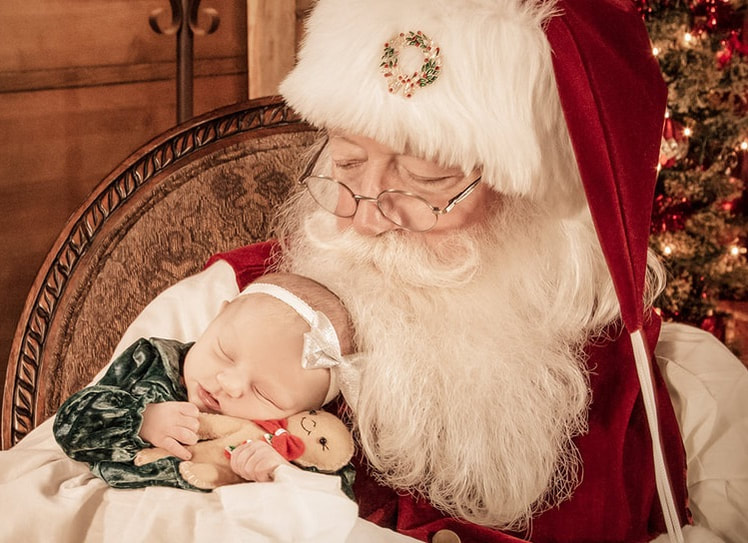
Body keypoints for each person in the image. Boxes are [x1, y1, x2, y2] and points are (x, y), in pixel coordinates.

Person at [1, 0, 746, 542]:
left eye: (425, 179)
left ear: (533, 201)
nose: (365, 212)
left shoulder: (667, 378)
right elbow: (35, 496)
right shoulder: (225, 309)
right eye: (348, 162)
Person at [53, 272, 355, 490]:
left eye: (265, 394)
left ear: (304, 411)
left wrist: (281, 472)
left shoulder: (292, 438)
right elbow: (70, 425)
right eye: (224, 353)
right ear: (215, 320)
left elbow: (332, 502)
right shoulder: (152, 361)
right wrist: (140, 419)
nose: (230, 384)